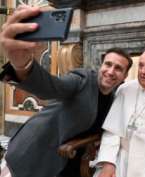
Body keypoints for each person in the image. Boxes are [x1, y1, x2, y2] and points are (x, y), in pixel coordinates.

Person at [0, 5, 133, 177]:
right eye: (108, 64)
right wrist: (23, 66)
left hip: (69, 158)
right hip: (36, 149)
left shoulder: (114, 97)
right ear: (101, 66)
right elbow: (51, 88)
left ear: (124, 76)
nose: (111, 71)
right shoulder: (82, 79)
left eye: (118, 68)